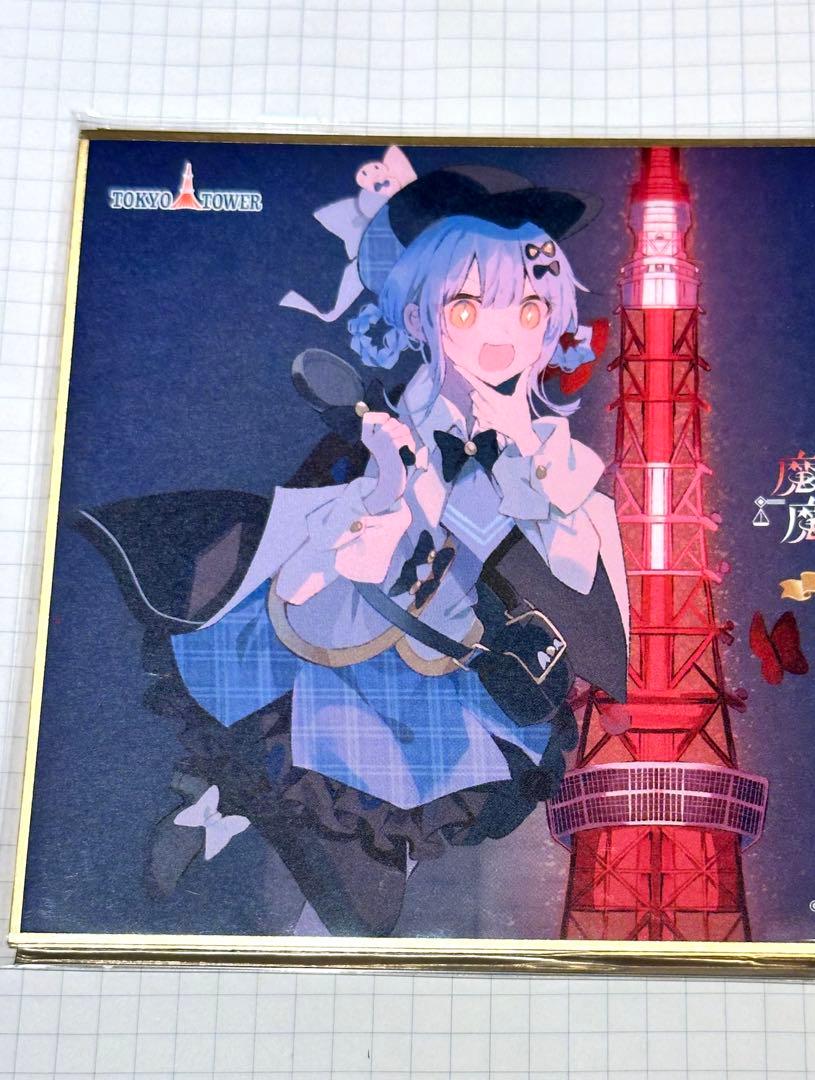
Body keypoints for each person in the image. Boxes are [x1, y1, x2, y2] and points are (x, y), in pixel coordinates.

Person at [78, 157, 629, 937]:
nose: (501, 331)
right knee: (331, 778)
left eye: (528, 307)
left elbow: (580, 591)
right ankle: (221, 810)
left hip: (451, 658)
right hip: (357, 635)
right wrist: (379, 499)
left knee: (400, 818)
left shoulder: (552, 455)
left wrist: (536, 508)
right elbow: (316, 550)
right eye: (467, 307)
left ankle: (241, 831)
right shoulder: (388, 423)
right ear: (421, 315)